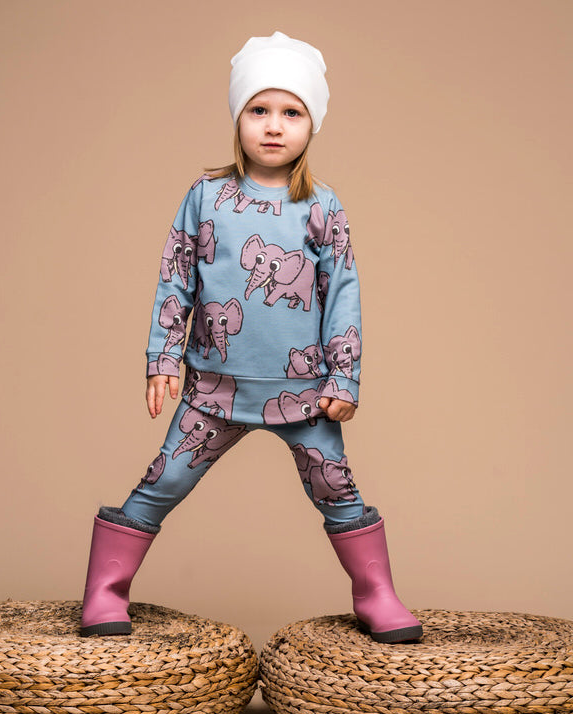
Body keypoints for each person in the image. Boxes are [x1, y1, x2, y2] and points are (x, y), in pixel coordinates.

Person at [81, 31, 422, 644]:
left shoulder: (322, 206)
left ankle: (376, 593)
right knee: (163, 481)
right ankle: (106, 589)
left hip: (305, 394)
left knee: (337, 491)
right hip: (214, 391)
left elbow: (343, 294)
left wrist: (344, 379)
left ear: (311, 126)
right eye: (258, 109)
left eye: (291, 113)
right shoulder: (206, 197)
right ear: (237, 117)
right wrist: (162, 357)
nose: (273, 126)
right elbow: (177, 276)